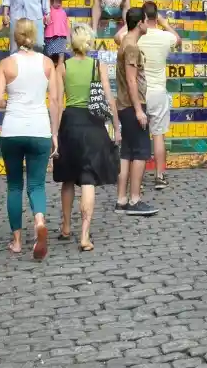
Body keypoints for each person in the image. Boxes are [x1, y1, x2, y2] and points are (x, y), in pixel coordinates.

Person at [0, 18, 61, 259]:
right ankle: (40, 222)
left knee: (14, 185)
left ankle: (17, 241)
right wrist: (54, 132)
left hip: (13, 129)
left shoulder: (6, 64)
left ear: (15, 37)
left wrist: (8, 100)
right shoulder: (47, 64)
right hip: (40, 128)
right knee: (37, 185)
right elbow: (54, 100)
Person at [54, 24, 120, 251]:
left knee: (68, 178)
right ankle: (84, 235)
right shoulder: (97, 65)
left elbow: (57, 101)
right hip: (93, 124)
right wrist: (116, 126)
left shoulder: (62, 66)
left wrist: (54, 132)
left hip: (70, 124)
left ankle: (65, 226)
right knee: (88, 179)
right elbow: (109, 98)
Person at [134, 1, 180, 190]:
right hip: (159, 91)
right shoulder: (164, 37)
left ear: (143, 17)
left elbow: (118, 37)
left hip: (141, 91)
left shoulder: (138, 36)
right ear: (156, 16)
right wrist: (165, 23)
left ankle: (138, 177)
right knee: (159, 135)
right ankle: (160, 175)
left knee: (139, 136)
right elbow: (178, 39)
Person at [114, 33, 158, 217]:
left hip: (124, 105)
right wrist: (139, 110)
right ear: (140, 23)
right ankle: (134, 199)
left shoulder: (124, 43)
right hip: (133, 105)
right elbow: (132, 80)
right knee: (140, 152)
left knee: (126, 153)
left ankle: (121, 199)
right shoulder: (131, 47)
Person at [44, 0, 71, 73]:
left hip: (61, 37)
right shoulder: (48, 12)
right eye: (56, 1)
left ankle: (60, 69)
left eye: (60, 2)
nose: (58, 4)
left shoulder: (63, 12)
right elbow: (44, 20)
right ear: (51, 1)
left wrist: (68, 37)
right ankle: (49, 69)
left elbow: (66, 25)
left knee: (61, 53)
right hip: (50, 37)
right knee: (49, 54)